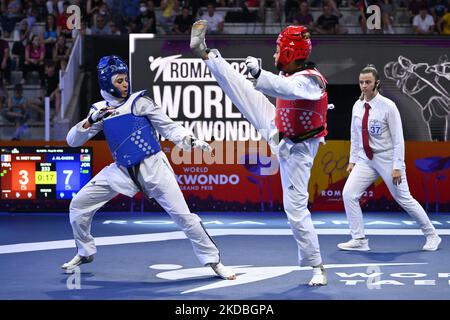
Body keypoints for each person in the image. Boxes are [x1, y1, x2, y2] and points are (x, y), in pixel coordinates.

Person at [61, 55, 236, 281]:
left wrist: (191, 140)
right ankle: (85, 251)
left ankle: (214, 261)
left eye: (126, 79)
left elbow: (169, 127)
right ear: (106, 82)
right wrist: (90, 121)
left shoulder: (139, 102)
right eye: (119, 81)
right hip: (122, 171)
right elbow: (72, 141)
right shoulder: (99, 111)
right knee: (78, 204)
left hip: (154, 168)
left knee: (185, 218)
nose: (125, 85)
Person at [190, 21, 328, 286]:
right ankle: (205, 51)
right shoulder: (288, 76)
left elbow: (290, 90)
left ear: (290, 53)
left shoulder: (312, 81)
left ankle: (317, 266)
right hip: (277, 129)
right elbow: (280, 87)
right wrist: (258, 77)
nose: (275, 55)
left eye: (278, 50)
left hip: (298, 152)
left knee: (295, 210)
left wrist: (261, 74)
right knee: (241, 90)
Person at [338, 64, 442, 252]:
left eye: (368, 82)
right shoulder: (357, 105)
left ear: (376, 83)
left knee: (404, 198)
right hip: (365, 160)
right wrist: (352, 160)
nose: (364, 86)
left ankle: (432, 235)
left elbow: (398, 139)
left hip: (387, 159)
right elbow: (355, 135)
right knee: (349, 194)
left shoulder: (388, 106)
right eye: (361, 82)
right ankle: (359, 239)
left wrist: (397, 166)